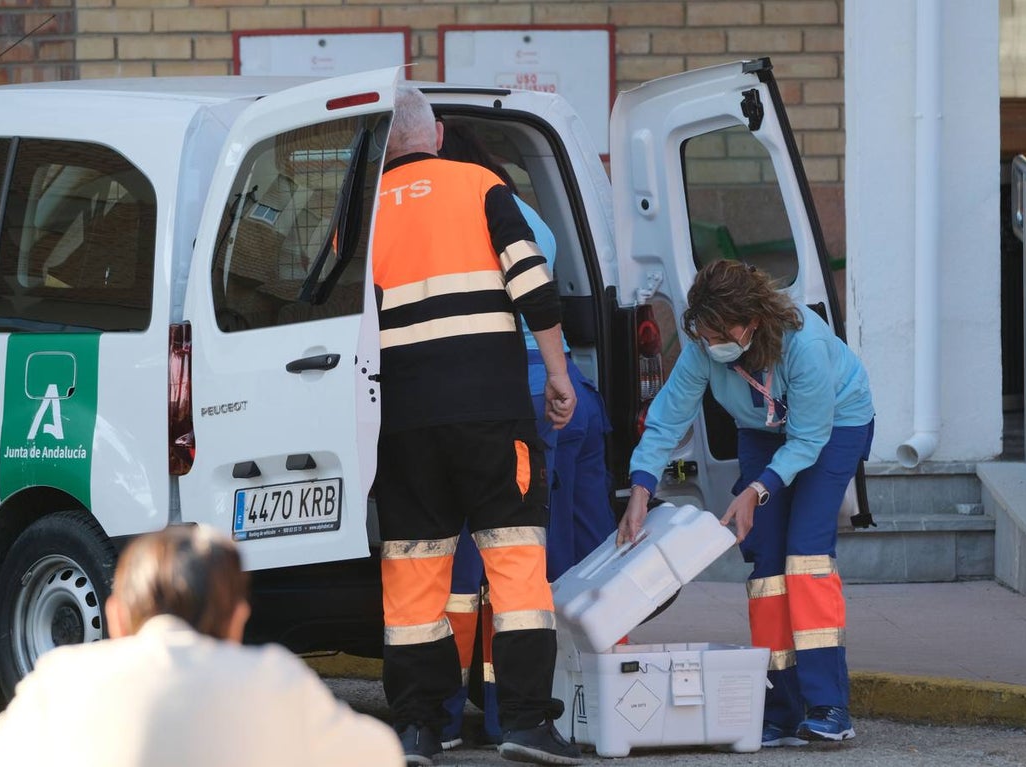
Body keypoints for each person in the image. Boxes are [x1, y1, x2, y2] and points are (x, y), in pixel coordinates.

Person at [371, 86, 582, 766]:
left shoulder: (363, 210)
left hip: (403, 420)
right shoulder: (482, 185)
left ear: (385, 145)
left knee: (413, 578)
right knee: (516, 563)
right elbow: (532, 284)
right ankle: (524, 721)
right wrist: (558, 374)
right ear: (434, 134)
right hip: (491, 412)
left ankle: (418, 729)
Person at [617, 259, 874, 748]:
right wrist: (641, 491)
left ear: (751, 321)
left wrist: (757, 490)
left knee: (807, 554)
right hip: (762, 429)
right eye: (704, 332)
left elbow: (808, 439)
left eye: (720, 332)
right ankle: (780, 709)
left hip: (836, 425)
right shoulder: (703, 350)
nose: (711, 343)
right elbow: (667, 420)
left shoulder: (806, 345)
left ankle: (829, 707)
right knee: (765, 563)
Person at [433, 120, 616, 749]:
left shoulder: (452, 213)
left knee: (465, 555)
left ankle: (453, 714)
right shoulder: (524, 214)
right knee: (533, 554)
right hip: (555, 391)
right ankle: (533, 706)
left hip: (497, 392)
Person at [0, 525, 403, 767]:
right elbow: (382, 755)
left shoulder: (62, 679)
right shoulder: (275, 678)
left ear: (115, 616)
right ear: (238, 619)